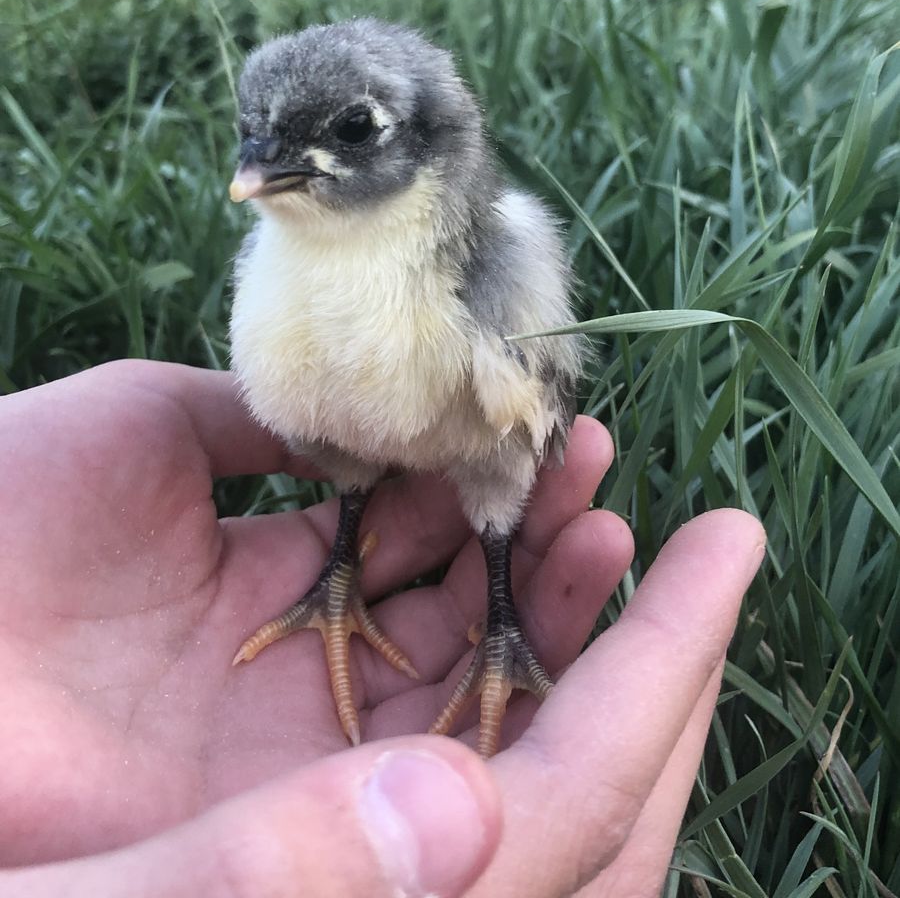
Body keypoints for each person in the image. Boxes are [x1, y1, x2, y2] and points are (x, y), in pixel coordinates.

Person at [0, 360, 764, 897]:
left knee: (501, 475)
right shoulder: (295, 275)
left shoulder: (476, 257)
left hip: (472, 415)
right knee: (354, 441)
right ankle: (341, 589)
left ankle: (497, 634)